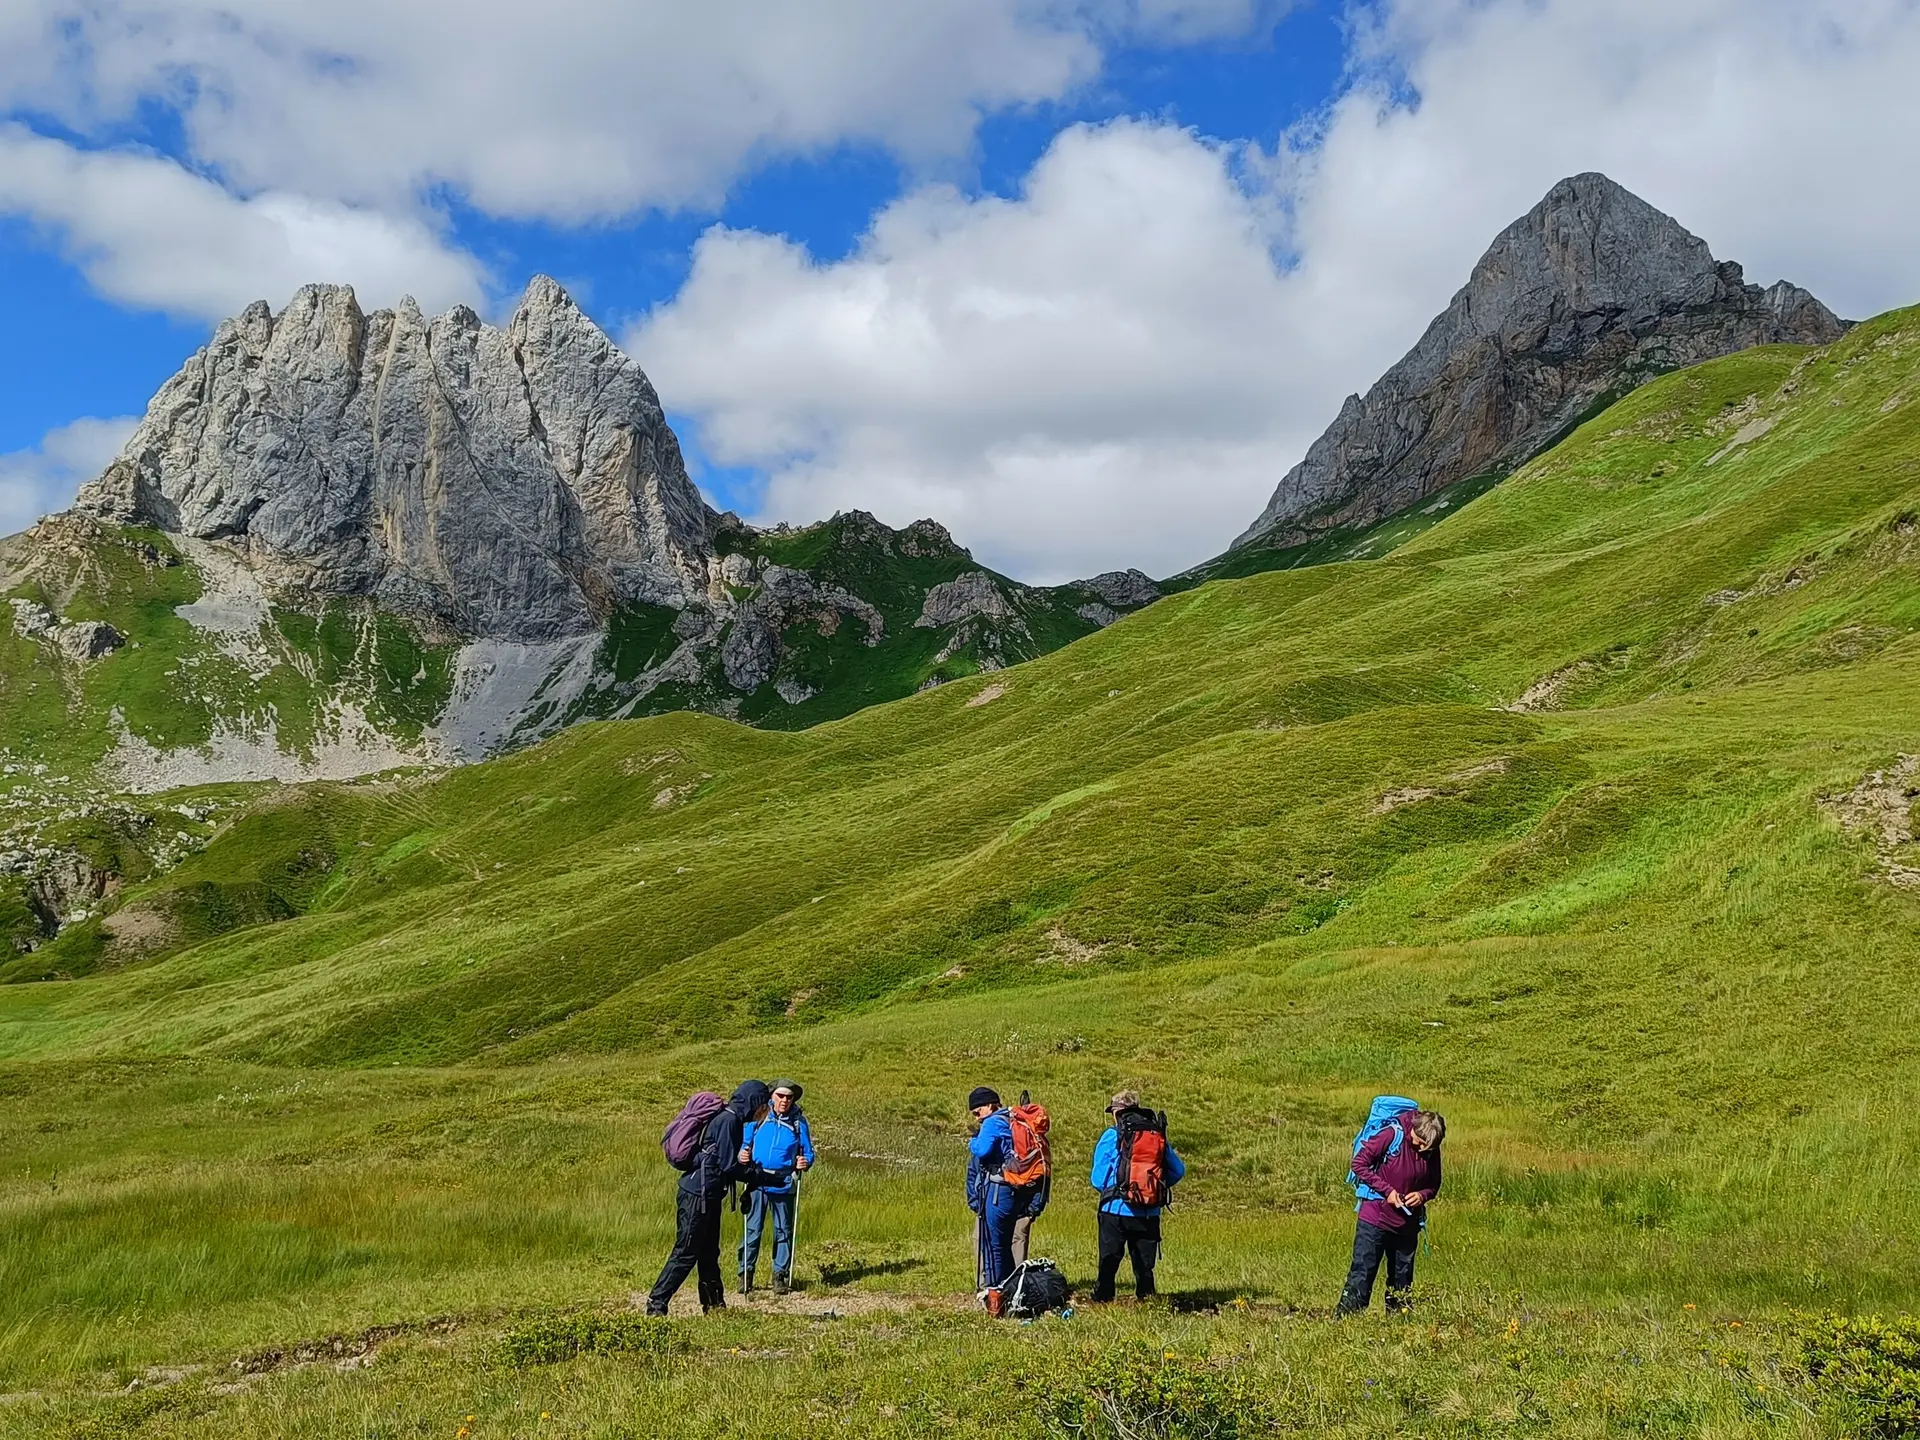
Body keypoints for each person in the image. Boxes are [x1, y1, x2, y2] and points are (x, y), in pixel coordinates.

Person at [647, 1080, 774, 1316]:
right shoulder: (729, 1121)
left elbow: (725, 1163)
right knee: (686, 1252)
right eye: (763, 1105)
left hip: (709, 1194)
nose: (763, 1111)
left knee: (708, 1253)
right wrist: (763, 1177)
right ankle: (656, 1303)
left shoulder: (730, 1118)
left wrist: (755, 1176)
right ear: (754, 1102)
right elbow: (730, 1166)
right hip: (698, 1195)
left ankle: (715, 1305)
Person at [1337, 1107, 1445, 1315]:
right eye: (1420, 1142)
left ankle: (1399, 1328)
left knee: (1402, 1282)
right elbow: (1359, 1164)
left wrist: (1422, 1195)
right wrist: (1387, 1191)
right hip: (1374, 1218)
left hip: (1407, 1225)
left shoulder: (1431, 1146)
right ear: (1414, 1130)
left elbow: (1434, 1184)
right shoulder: (1391, 1135)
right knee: (1362, 1276)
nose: (1422, 1149)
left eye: (1428, 1147)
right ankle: (1344, 1323)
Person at [1088, 1090, 1186, 1302]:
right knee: (1144, 1267)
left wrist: (1118, 1189)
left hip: (1114, 1209)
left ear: (1116, 1113)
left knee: (1109, 1261)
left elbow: (1097, 1179)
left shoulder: (1111, 1136)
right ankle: (1147, 1303)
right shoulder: (1155, 1135)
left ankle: (1102, 1301)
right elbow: (1178, 1170)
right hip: (1148, 1211)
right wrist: (1151, 1187)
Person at [738, 1077, 814, 1295]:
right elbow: (744, 1145)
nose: (785, 1100)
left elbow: (808, 1152)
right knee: (752, 1230)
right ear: (772, 1096)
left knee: (783, 1230)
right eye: (781, 1096)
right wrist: (742, 1155)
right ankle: (745, 1273)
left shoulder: (799, 1122)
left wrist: (805, 1162)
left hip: (783, 1182)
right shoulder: (759, 1116)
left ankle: (779, 1276)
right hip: (757, 1180)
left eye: (789, 1097)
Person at [965, 1086, 1020, 1292]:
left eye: (977, 1112)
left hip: (997, 1191)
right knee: (1003, 1244)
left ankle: (995, 1294)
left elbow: (982, 1149)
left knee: (993, 1245)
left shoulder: (993, 1122)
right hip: (1011, 1190)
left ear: (989, 1105)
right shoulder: (1010, 1119)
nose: (977, 1117)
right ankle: (1010, 1290)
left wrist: (973, 1141)